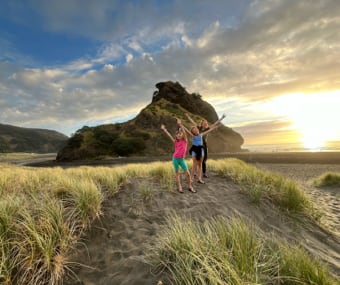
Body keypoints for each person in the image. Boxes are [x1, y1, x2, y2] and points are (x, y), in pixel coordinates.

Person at [181, 114, 226, 184]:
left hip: (203, 145)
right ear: (201, 124)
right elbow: (192, 125)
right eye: (203, 123)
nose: (205, 124)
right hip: (195, 147)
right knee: (195, 163)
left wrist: (221, 119)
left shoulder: (204, 131)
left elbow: (213, 126)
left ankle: (201, 175)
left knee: (202, 162)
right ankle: (193, 176)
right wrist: (188, 117)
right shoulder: (197, 129)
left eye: (206, 123)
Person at [161, 122, 196, 193]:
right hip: (175, 159)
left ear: (182, 135)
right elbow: (170, 136)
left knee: (188, 173)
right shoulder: (175, 142)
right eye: (177, 134)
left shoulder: (185, 141)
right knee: (177, 173)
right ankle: (179, 187)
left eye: (180, 134)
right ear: (176, 136)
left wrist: (180, 125)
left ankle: (190, 186)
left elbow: (184, 132)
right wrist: (165, 130)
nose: (179, 135)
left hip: (182, 159)